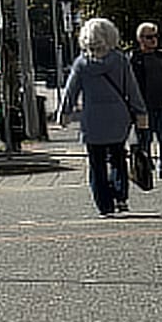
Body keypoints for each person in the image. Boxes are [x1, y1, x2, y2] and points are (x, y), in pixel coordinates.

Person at [58, 17, 148, 216]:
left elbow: (70, 91)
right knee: (118, 157)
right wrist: (140, 112)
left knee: (96, 163)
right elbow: (131, 88)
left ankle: (104, 204)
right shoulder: (120, 60)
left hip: (92, 119)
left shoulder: (82, 64)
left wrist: (64, 113)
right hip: (118, 117)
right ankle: (120, 195)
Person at [130, 22, 162, 178]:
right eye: (149, 37)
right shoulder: (134, 59)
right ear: (140, 39)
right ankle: (145, 170)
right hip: (144, 107)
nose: (153, 40)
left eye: (155, 36)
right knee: (145, 139)